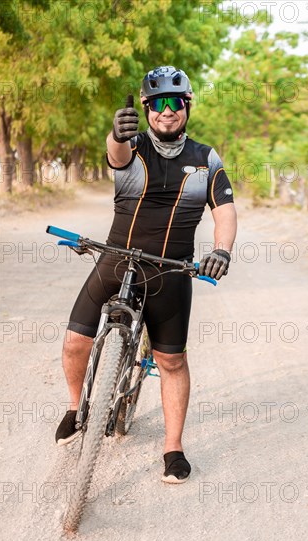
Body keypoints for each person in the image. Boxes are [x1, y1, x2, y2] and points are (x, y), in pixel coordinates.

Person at [55, 66, 237, 483]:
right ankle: (74, 408)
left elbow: (225, 210)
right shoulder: (133, 147)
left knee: (171, 361)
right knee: (74, 342)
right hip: (118, 257)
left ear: (187, 106)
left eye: (175, 102)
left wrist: (222, 251)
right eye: (158, 103)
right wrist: (116, 135)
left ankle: (173, 448)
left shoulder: (205, 158)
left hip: (171, 270)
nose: (166, 110)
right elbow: (115, 155)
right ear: (146, 108)